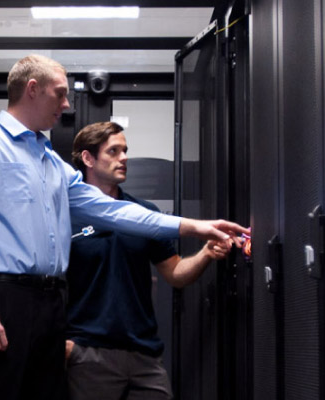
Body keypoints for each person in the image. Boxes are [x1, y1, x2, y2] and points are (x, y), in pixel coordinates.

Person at [0, 54, 248, 400]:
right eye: (60, 93)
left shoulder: (52, 163)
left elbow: (116, 212)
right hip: (5, 297)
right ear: (32, 90)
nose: (67, 104)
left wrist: (197, 228)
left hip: (51, 303)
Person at [64, 121, 236, 400]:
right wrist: (65, 346)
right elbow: (48, 283)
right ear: (88, 158)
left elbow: (175, 272)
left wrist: (205, 254)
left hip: (143, 355)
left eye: (125, 150)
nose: (124, 158)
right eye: (114, 151)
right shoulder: (67, 214)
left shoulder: (145, 213)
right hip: (88, 354)